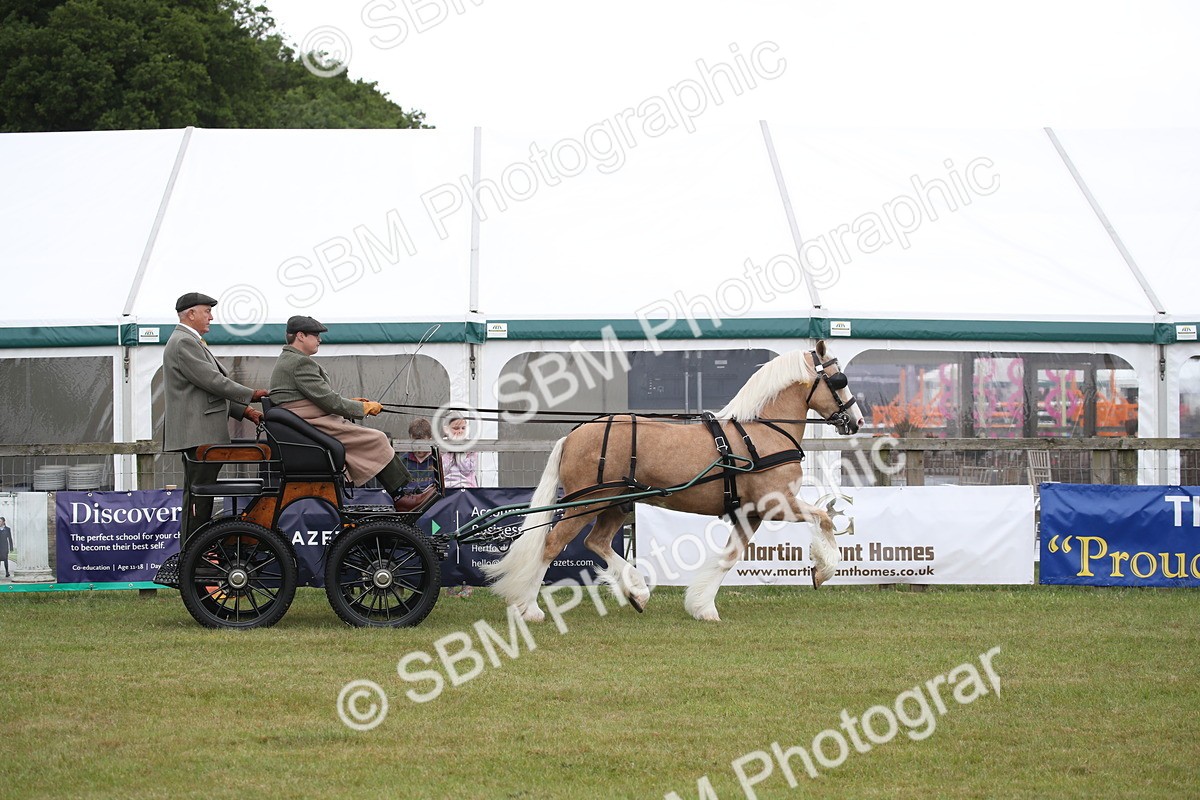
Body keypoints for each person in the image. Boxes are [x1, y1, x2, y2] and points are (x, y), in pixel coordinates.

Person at [268, 315, 437, 513]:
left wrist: (352, 404)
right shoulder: (299, 363)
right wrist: (362, 409)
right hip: (312, 424)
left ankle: (407, 492)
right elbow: (329, 401)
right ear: (301, 336)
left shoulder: (290, 360)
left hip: (306, 422)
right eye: (315, 335)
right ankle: (401, 495)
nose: (319, 339)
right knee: (377, 438)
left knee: (374, 438)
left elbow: (319, 398)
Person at [163, 292, 269, 540]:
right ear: (191, 314)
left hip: (201, 433)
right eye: (207, 311)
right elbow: (213, 382)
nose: (211, 317)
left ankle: (193, 557)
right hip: (198, 434)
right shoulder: (184, 342)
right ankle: (192, 558)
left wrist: (245, 412)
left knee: (200, 497)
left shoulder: (190, 341)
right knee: (198, 501)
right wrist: (250, 395)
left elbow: (206, 390)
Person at [400, 418, 439, 492]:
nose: (418, 446)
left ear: (430, 439)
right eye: (414, 442)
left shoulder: (437, 460)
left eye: (421, 442)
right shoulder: (403, 461)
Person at [441, 412, 478, 488]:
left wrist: (459, 450)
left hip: (467, 488)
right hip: (447, 488)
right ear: (446, 429)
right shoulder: (441, 446)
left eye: (463, 428)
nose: (460, 431)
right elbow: (443, 470)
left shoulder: (470, 447)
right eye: (456, 428)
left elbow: (466, 470)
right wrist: (450, 449)